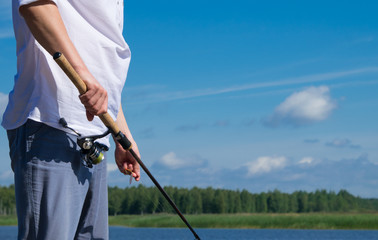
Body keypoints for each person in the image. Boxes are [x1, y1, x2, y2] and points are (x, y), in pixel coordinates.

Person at [2, 0, 141, 239]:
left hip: (96, 134)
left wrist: (121, 134)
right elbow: (34, 5)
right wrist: (82, 72)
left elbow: (102, 81)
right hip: (49, 121)